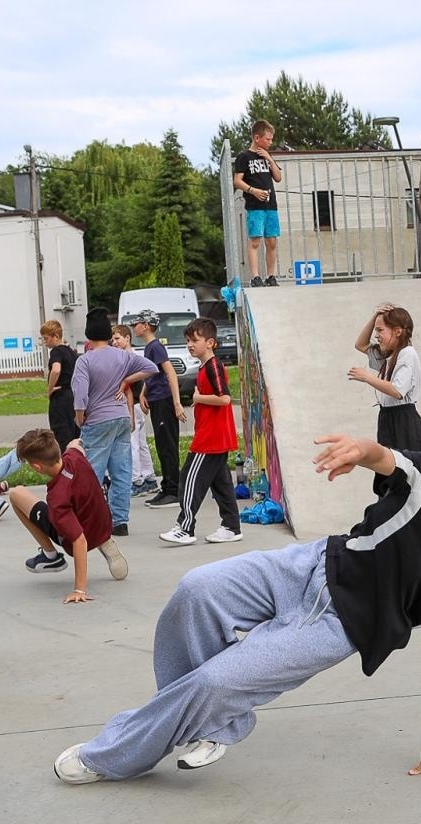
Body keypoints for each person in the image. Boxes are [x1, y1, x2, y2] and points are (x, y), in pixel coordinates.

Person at [54, 435, 421, 783]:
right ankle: (210, 728)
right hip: (307, 566)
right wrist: (359, 450)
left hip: (337, 627)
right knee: (195, 590)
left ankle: (115, 755)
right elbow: (386, 459)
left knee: (216, 685)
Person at [8, 428, 129, 603]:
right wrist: (75, 442)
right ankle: (104, 540)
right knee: (80, 508)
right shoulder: (74, 457)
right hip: (103, 524)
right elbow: (76, 444)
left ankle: (51, 556)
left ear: (37, 467)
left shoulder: (58, 497)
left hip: (79, 538)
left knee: (16, 494)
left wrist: (79, 589)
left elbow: (79, 541)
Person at [72, 307, 161, 535]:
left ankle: (91, 521)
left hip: (97, 420)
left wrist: (80, 418)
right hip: (121, 417)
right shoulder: (123, 356)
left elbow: (81, 396)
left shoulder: (85, 361)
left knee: (92, 473)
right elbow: (151, 368)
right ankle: (119, 522)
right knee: (122, 472)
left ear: (89, 336)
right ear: (108, 335)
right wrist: (126, 380)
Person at [158, 318, 242, 546]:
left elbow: (224, 398)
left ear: (211, 343)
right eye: (187, 340)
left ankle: (185, 528)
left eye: (195, 340)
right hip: (214, 435)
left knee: (189, 478)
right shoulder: (206, 366)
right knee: (221, 484)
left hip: (210, 437)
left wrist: (197, 398)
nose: (190, 345)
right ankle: (231, 526)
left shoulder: (213, 365)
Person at [349, 303, 421, 495]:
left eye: (381, 330)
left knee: (404, 473)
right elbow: (361, 345)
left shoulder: (407, 354)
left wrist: (368, 377)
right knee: (386, 472)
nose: (377, 335)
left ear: (398, 331)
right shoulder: (389, 355)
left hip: (404, 420)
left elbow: (398, 390)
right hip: (387, 418)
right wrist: (376, 314)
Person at [133, 312, 186, 510]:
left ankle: (173, 490)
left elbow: (169, 372)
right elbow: (153, 373)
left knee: (167, 446)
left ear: (146, 326)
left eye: (137, 323)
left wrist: (177, 403)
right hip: (155, 399)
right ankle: (166, 487)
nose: (134, 327)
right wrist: (143, 393)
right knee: (161, 444)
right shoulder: (149, 348)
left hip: (164, 401)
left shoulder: (156, 346)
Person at [234, 120, 284, 287]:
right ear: (257, 138)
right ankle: (255, 277)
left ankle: (271, 276)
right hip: (255, 206)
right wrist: (252, 190)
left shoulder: (267, 157)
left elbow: (278, 177)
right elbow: (237, 181)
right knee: (255, 240)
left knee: (272, 241)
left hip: (271, 205)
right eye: (268, 139)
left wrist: (269, 158)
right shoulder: (244, 157)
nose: (270, 142)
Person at [110, 324, 156, 496]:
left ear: (127, 338)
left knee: (133, 443)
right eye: (112, 339)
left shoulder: (126, 359)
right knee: (142, 443)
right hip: (137, 404)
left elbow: (127, 387)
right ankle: (149, 476)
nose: (114, 342)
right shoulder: (136, 357)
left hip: (132, 406)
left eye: (117, 338)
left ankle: (137, 480)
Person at [42, 320, 78, 447]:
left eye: (46, 339)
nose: (44, 342)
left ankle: (65, 462)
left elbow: (56, 369)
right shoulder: (72, 353)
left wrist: (50, 388)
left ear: (56, 336)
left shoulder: (56, 352)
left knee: (62, 434)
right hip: (74, 396)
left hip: (61, 396)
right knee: (75, 432)